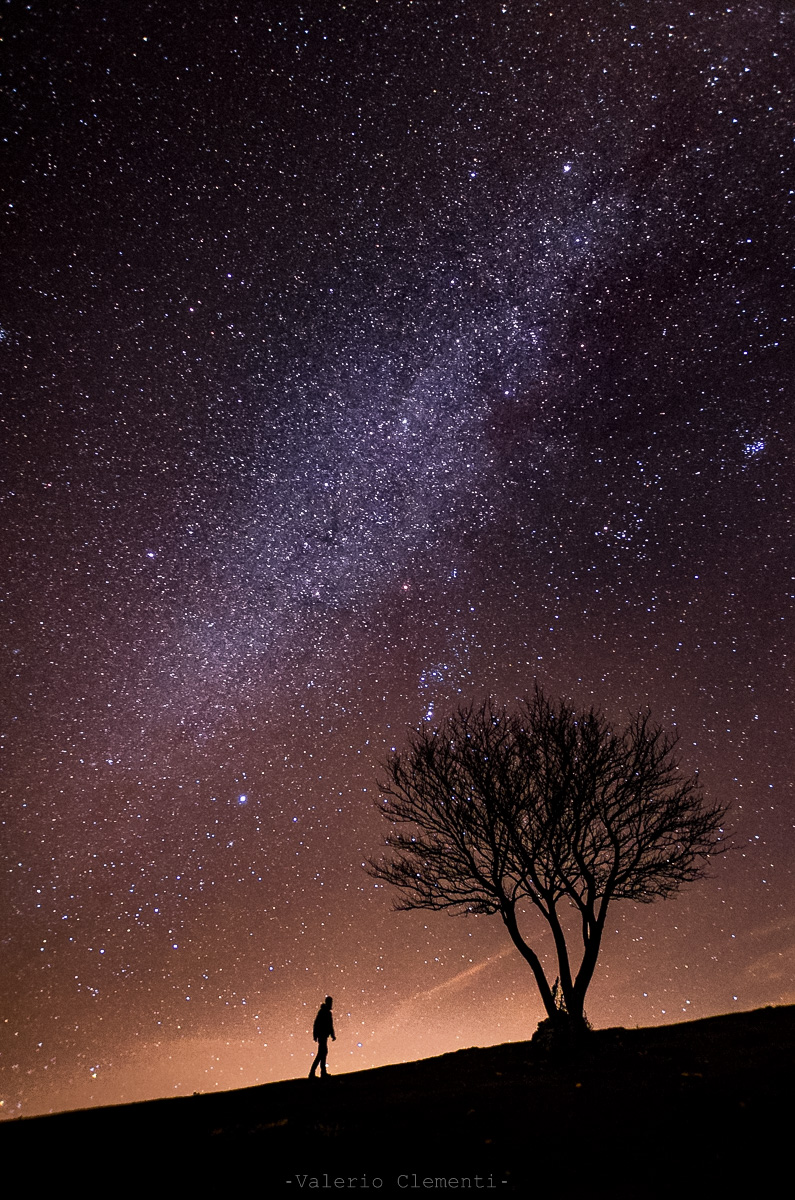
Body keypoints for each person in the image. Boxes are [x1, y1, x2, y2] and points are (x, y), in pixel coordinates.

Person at [309, 995, 335, 1078]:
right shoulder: (324, 1012)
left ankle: (320, 1072)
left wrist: (332, 1034)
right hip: (322, 1035)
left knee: (322, 1053)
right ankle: (314, 1073)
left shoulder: (325, 1012)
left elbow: (329, 1025)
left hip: (323, 1035)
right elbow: (317, 1024)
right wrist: (315, 1035)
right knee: (321, 1053)